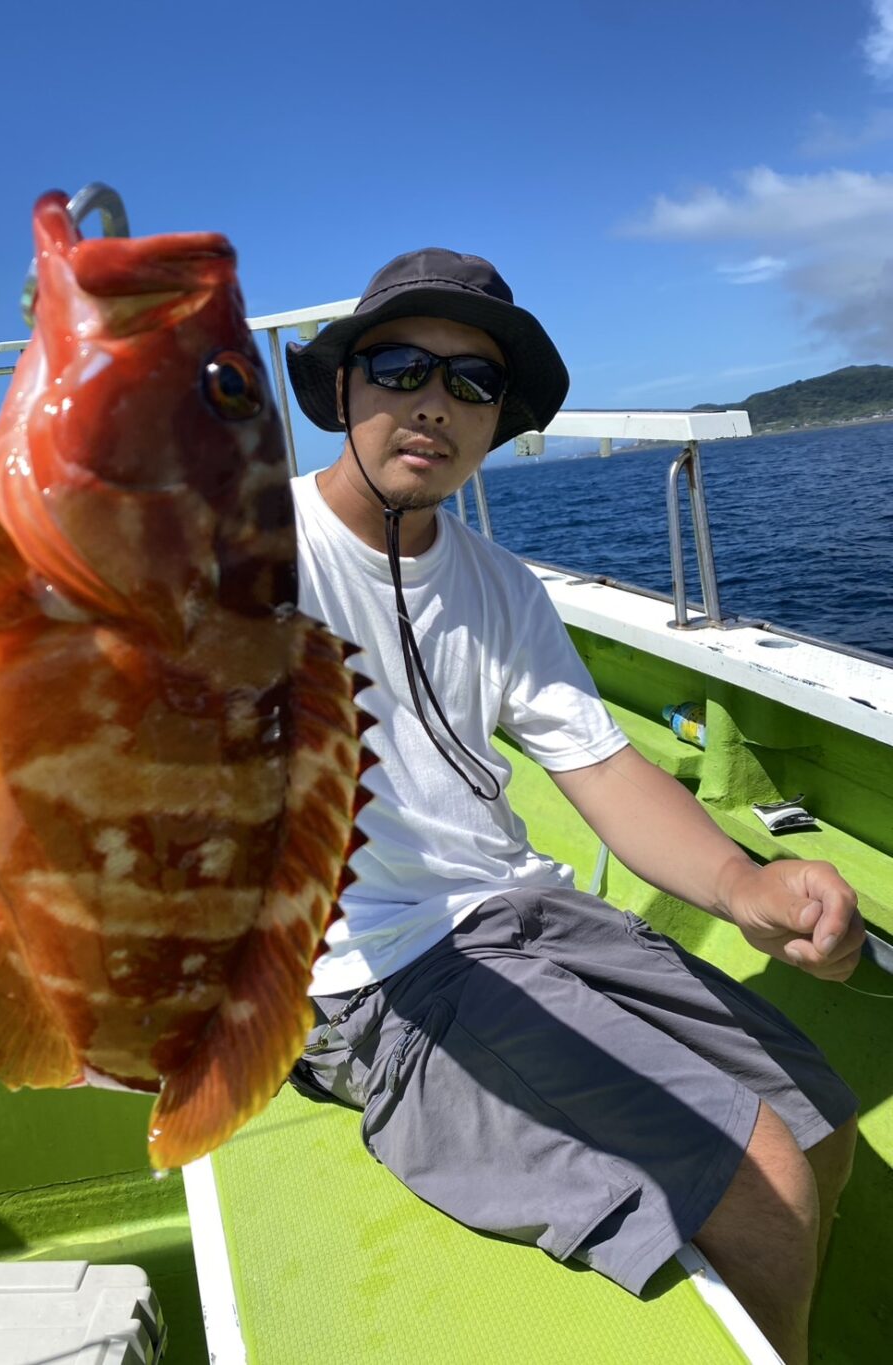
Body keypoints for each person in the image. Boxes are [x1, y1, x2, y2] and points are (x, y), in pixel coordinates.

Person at [284, 248, 862, 1365]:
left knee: (818, 1115)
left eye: (472, 382)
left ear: (497, 420)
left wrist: (743, 884)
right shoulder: (239, 555)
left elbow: (601, 768)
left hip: (522, 910)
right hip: (373, 971)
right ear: (344, 384)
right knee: (757, 1170)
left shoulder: (500, 583)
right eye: (402, 367)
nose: (433, 403)